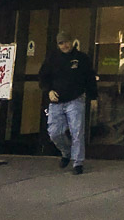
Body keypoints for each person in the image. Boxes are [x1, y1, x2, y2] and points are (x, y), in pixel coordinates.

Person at [38, 32, 97, 174]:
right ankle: (66, 152)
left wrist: (93, 97)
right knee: (54, 133)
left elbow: (90, 79)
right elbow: (43, 77)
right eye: (61, 43)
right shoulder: (52, 58)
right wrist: (48, 91)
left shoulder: (82, 58)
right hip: (56, 102)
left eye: (66, 42)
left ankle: (78, 163)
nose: (64, 45)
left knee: (77, 132)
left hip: (76, 100)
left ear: (72, 41)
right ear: (58, 45)